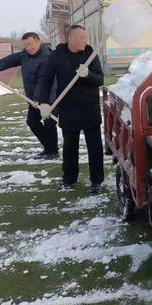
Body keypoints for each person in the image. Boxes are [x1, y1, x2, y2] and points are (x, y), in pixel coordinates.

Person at [35, 25, 104, 193]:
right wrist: (44, 102)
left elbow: (100, 79)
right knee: (69, 146)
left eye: (85, 37)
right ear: (70, 39)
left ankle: (96, 180)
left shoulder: (90, 53)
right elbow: (46, 79)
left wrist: (87, 74)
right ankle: (69, 179)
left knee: (94, 147)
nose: (84, 41)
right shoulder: (57, 55)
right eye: (81, 38)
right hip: (68, 107)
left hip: (89, 107)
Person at [0, 32, 58, 159]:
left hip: (50, 97)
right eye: (25, 45)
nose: (28, 48)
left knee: (49, 123)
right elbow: (9, 60)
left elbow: (43, 80)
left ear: (38, 42)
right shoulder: (24, 55)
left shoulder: (48, 56)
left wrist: (38, 99)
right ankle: (50, 147)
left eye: (30, 44)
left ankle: (52, 151)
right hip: (33, 98)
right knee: (32, 122)